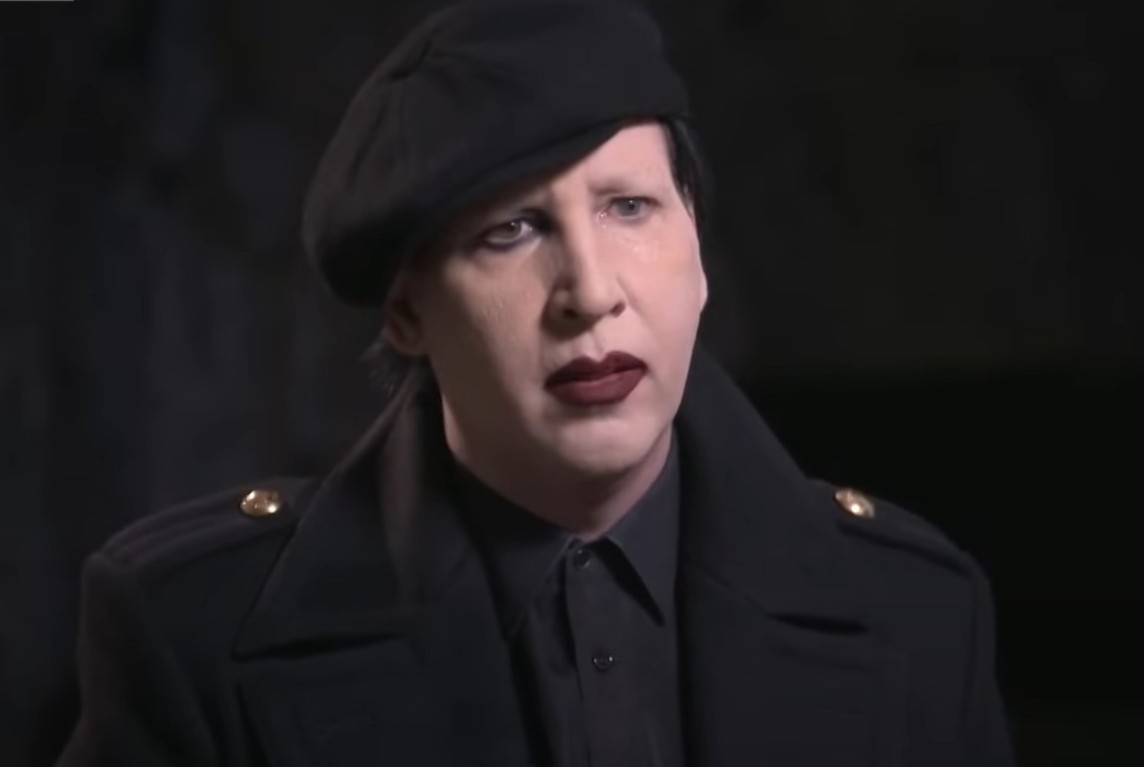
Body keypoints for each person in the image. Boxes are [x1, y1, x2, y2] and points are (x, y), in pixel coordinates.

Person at [57, 1, 1015, 765]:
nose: (590, 292)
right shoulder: (191, 636)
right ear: (407, 313)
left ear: (698, 249)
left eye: (629, 206)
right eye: (510, 230)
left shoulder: (918, 613)